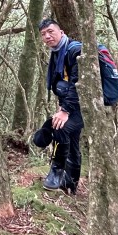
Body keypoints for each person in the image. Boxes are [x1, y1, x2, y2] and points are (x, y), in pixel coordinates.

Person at [31, 18, 83, 195]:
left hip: (88, 107)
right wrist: (63, 108)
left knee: (60, 127)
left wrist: (65, 111)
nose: (47, 36)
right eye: (43, 34)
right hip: (74, 105)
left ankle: (57, 172)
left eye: (50, 31)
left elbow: (78, 83)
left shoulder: (74, 51)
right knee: (72, 142)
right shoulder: (58, 52)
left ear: (61, 32)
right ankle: (70, 184)